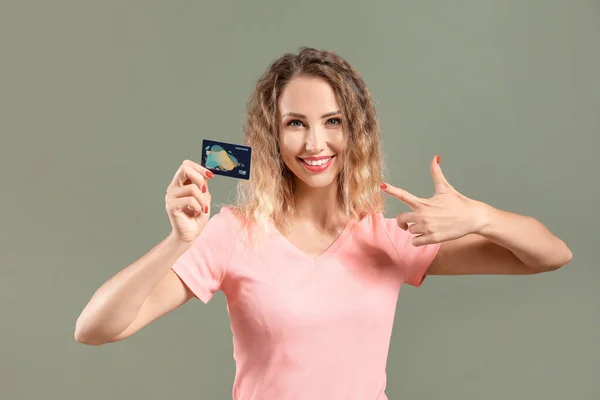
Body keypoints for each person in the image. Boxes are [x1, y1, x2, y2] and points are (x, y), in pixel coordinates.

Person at [74, 47, 572, 399]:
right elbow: (94, 329)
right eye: (296, 123)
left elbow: (550, 256)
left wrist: (481, 217)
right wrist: (177, 240)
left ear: (356, 131)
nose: (315, 145)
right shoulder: (232, 234)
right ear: (272, 134)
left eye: (332, 121)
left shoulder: (387, 238)